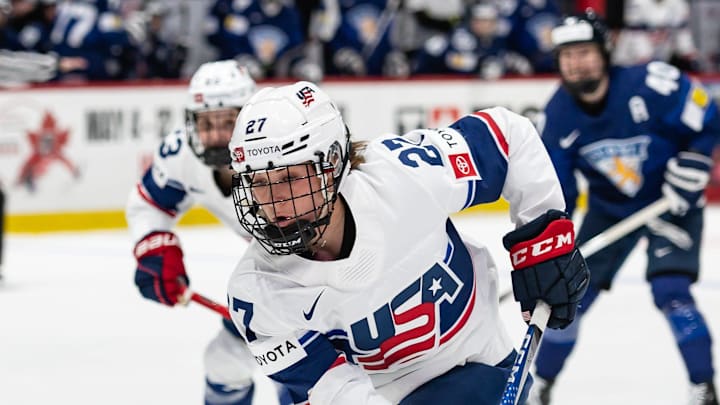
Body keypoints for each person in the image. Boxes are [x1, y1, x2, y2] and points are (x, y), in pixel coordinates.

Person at [224, 80, 590, 404]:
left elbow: (507, 137)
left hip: (482, 364)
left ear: (332, 162)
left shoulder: (404, 175)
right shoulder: (256, 294)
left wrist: (544, 239)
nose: (274, 202)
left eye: (289, 177)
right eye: (258, 182)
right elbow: (336, 390)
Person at [531, 10, 719, 405]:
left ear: (605, 50)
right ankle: (542, 385)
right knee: (571, 301)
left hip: (671, 200)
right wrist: (553, 243)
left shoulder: (651, 83)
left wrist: (698, 158)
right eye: (567, 55)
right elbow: (559, 193)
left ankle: (704, 388)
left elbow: (707, 114)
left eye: (584, 52)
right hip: (609, 209)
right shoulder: (558, 115)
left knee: (672, 290)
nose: (576, 63)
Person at [125, 60, 291, 405]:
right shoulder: (182, 154)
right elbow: (149, 204)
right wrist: (156, 248)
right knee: (225, 364)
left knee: (311, 380)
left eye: (228, 122)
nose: (216, 136)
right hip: (269, 277)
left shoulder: (287, 153)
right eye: (207, 123)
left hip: (332, 279)